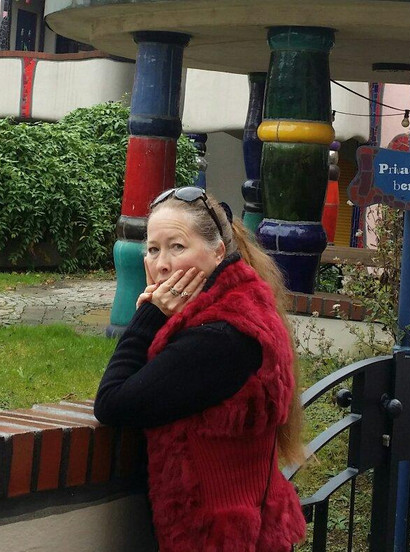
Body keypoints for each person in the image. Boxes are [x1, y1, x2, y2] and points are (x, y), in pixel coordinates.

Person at [94, 186, 307, 552]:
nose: (162, 264)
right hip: (249, 530)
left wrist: (147, 315)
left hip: (218, 537)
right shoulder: (241, 307)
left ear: (218, 251)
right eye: (153, 249)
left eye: (177, 247)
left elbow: (113, 402)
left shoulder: (221, 336)